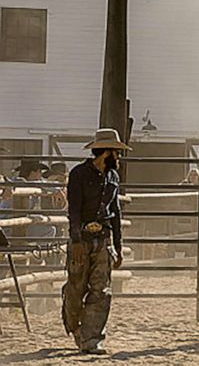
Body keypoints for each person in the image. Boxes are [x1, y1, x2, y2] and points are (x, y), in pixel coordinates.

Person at [62, 128, 131, 355]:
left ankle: (92, 338)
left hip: (103, 239)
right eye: (116, 153)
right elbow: (74, 209)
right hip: (81, 238)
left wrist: (118, 247)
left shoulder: (113, 177)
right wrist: (76, 239)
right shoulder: (79, 174)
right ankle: (74, 325)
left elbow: (116, 212)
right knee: (76, 288)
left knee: (101, 290)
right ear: (107, 152)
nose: (118, 157)